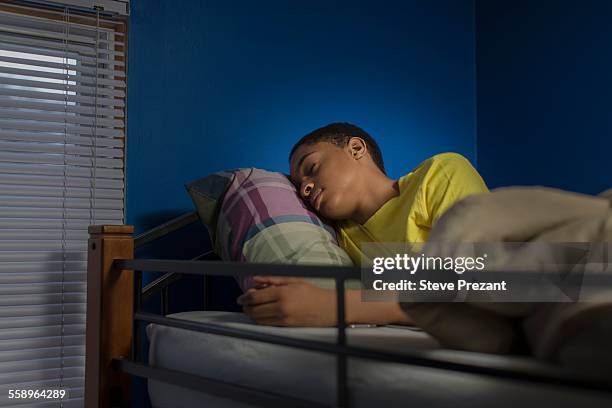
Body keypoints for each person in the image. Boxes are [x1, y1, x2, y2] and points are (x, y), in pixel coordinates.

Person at [237, 122, 489, 326]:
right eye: (300, 185)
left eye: (312, 167)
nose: (305, 188)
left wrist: (333, 306)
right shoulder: (343, 237)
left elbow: (480, 285)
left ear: (356, 149)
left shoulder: (437, 174)